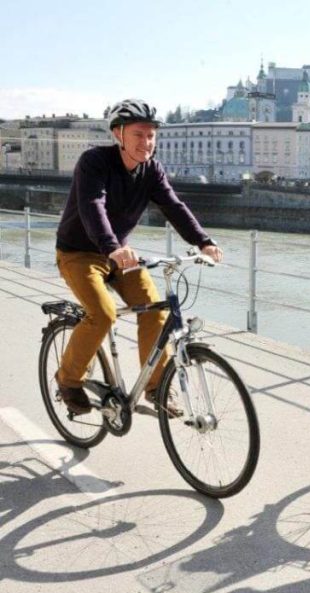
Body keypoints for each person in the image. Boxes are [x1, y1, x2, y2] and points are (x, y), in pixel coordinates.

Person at [54, 98, 223, 416]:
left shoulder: (152, 170)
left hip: (122, 257)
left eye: (151, 135)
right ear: (118, 134)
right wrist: (112, 247)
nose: (146, 142)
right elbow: (93, 205)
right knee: (103, 314)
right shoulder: (95, 162)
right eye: (138, 135)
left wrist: (203, 241)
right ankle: (69, 380)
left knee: (157, 311)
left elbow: (173, 206)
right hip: (79, 253)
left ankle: (156, 387)